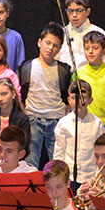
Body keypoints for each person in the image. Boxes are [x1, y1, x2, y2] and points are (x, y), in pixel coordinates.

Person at [19, 21, 71, 169]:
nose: (50, 48)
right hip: (33, 119)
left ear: (59, 49)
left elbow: (66, 96)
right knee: (30, 161)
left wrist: (62, 114)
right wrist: (27, 113)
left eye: (55, 46)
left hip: (56, 120)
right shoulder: (27, 67)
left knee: (58, 162)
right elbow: (22, 94)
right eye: (48, 43)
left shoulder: (63, 70)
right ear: (39, 42)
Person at [53, 80, 105, 186]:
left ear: (90, 100)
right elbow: (59, 152)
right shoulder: (63, 123)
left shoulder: (97, 123)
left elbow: (101, 152)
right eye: (74, 98)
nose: (78, 102)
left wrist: (98, 176)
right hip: (70, 177)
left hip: (91, 177)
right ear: (68, 100)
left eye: (83, 98)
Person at [75, 31, 105, 126]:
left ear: (104, 51)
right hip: (85, 122)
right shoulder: (79, 73)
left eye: (95, 48)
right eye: (87, 48)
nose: (90, 51)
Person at [57, 0, 105, 69]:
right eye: (70, 11)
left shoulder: (98, 32)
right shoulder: (62, 32)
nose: (74, 15)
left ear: (87, 12)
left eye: (79, 11)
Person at [0, 78, 31, 163]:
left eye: (4, 94)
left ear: (13, 94)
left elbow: (24, 146)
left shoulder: (22, 119)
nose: (0, 99)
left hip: (13, 165)